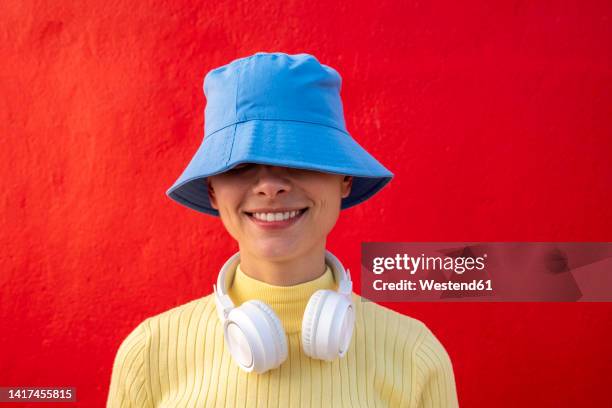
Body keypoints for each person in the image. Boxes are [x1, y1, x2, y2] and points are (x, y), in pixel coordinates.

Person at [107, 52, 459, 407]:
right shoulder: (149, 354)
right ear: (213, 189)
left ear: (345, 178)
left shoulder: (414, 356)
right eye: (241, 164)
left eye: (298, 157)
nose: (270, 186)